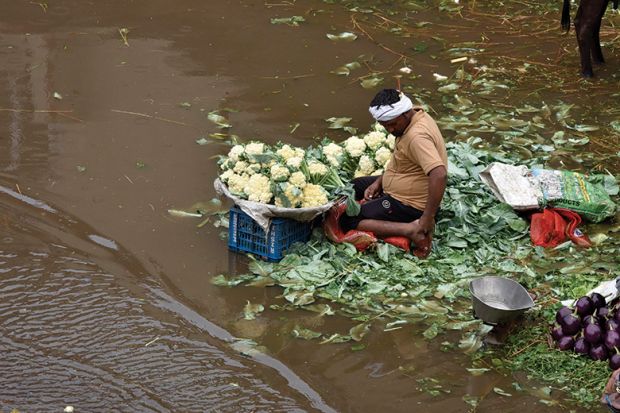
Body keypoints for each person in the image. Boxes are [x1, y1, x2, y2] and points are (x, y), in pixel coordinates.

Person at [340, 89, 448, 257]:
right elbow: (401, 161)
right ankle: (385, 202)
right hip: (403, 182)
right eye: (385, 125)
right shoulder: (415, 115)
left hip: (410, 204)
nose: (389, 130)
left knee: (347, 219)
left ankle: (411, 230)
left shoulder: (417, 137)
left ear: (404, 114)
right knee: (354, 185)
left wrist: (427, 218)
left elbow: (439, 174)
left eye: (392, 124)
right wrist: (379, 182)